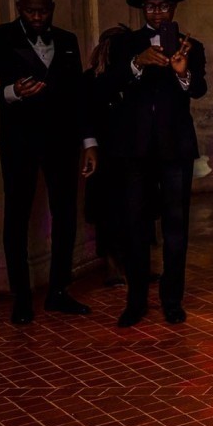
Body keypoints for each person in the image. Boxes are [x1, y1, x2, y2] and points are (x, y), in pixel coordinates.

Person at [0, 0, 96, 324]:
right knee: (17, 216)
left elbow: (79, 98)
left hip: (62, 142)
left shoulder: (67, 40)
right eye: (30, 10)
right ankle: (21, 297)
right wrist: (11, 92)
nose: (37, 16)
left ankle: (59, 291)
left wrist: (89, 142)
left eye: (43, 10)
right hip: (19, 142)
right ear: (19, 6)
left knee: (65, 215)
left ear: (52, 7)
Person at [108, 0, 207, 327]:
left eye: (163, 6)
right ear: (142, 9)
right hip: (134, 149)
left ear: (174, 8)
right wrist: (138, 62)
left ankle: (172, 299)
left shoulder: (190, 45)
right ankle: (135, 301)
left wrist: (183, 73)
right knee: (135, 225)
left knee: (176, 226)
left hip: (176, 148)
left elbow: (199, 90)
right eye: (150, 6)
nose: (157, 12)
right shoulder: (126, 44)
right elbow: (109, 84)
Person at [83, 25, 132, 288]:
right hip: (106, 155)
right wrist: (90, 146)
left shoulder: (136, 75)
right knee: (108, 211)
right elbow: (85, 116)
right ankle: (112, 265)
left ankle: (135, 263)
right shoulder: (92, 78)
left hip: (133, 152)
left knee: (137, 209)